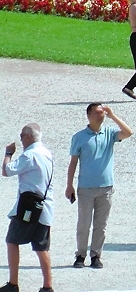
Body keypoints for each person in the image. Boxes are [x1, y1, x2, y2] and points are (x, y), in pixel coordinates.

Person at [66, 104, 133, 269]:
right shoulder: (79, 137)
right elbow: (73, 162)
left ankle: (96, 255)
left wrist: (113, 115)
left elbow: (128, 132)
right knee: (84, 224)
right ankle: (80, 255)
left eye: (102, 112)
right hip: (86, 188)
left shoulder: (109, 133)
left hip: (106, 187)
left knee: (101, 225)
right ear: (88, 115)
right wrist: (69, 185)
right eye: (97, 112)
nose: (101, 115)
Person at [2, 124, 54, 292]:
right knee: (41, 247)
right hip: (45, 207)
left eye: (22, 135)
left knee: (12, 241)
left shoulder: (29, 155)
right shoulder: (47, 153)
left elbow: (7, 171)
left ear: (29, 137)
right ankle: (47, 286)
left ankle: (13, 283)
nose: (21, 139)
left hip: (27, 208)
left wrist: (8, 153)